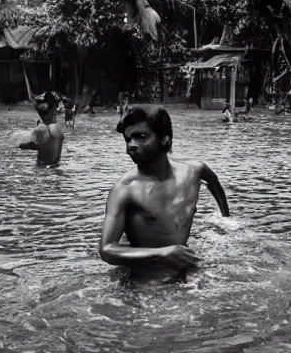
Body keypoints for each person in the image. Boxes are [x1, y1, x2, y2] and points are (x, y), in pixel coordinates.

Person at [99, 107, 231, 277]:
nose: (131, 145)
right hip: (146, 281)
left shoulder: (194, 171)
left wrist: (226, 220)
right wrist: (162, 254)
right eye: (128, 139)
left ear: (165, 139)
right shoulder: (125, 190)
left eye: (141, 137)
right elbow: (107, 249)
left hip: (184, 273)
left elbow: (214, 183)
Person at [18, 92, 65, 166]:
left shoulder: (41, 129)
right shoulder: (58, 128)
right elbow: (48, 145)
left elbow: (35, 145)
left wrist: (20, 145)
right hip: (55, 165)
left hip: (43, 167)